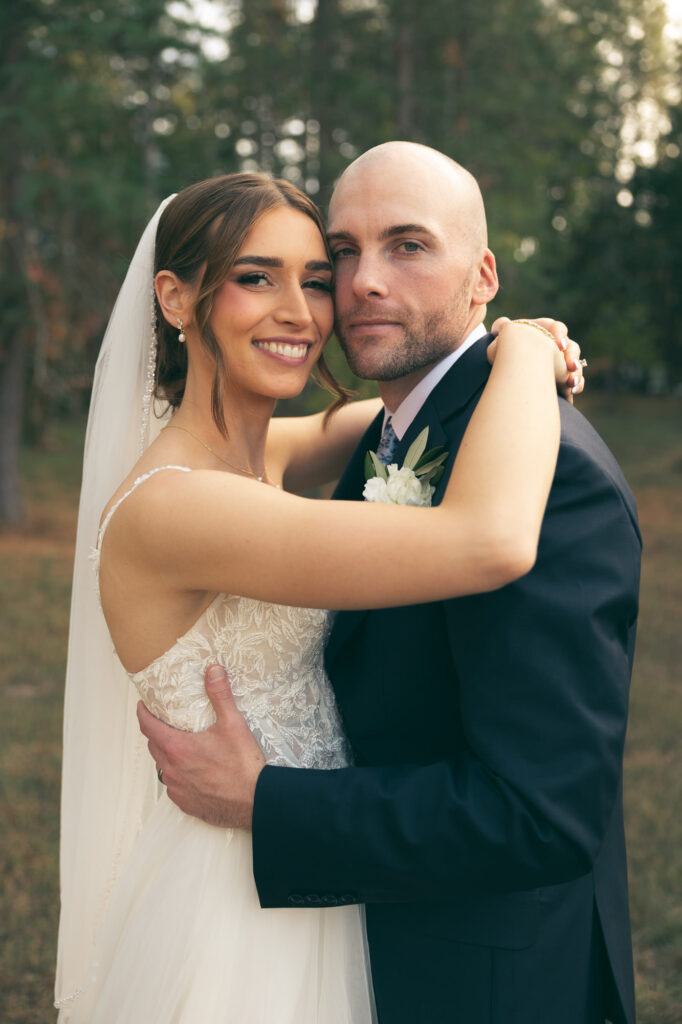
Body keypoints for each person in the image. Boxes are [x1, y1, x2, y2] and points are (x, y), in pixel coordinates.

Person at [54, 167, 579, 1022]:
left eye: (316, 279)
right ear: (176, 298)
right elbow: (488, 539)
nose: (300, 311)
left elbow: (385, 422)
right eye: (255, 277)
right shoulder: (177, 507)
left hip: (313, 866)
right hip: (236, 907)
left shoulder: (256, 455)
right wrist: (520, 346)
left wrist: (487, 348)